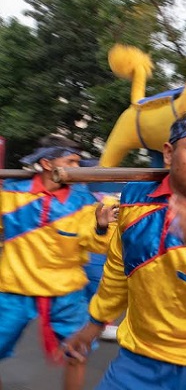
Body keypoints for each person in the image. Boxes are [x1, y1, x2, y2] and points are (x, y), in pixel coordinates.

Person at [63, 112, 186, 389]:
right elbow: (119, 270)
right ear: (169, 154)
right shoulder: (134, 201)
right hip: (137, 360)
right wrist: (94, 325)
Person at [0, 135, 117, 390]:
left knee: (78, 354)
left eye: (78, 162)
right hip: (14, 291)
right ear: (46, 163)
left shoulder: (86, 204)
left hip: (66, 294)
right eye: (71, 161)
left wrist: (101, 225)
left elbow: (99, 245)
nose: (77, 168)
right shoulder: (10, 194)